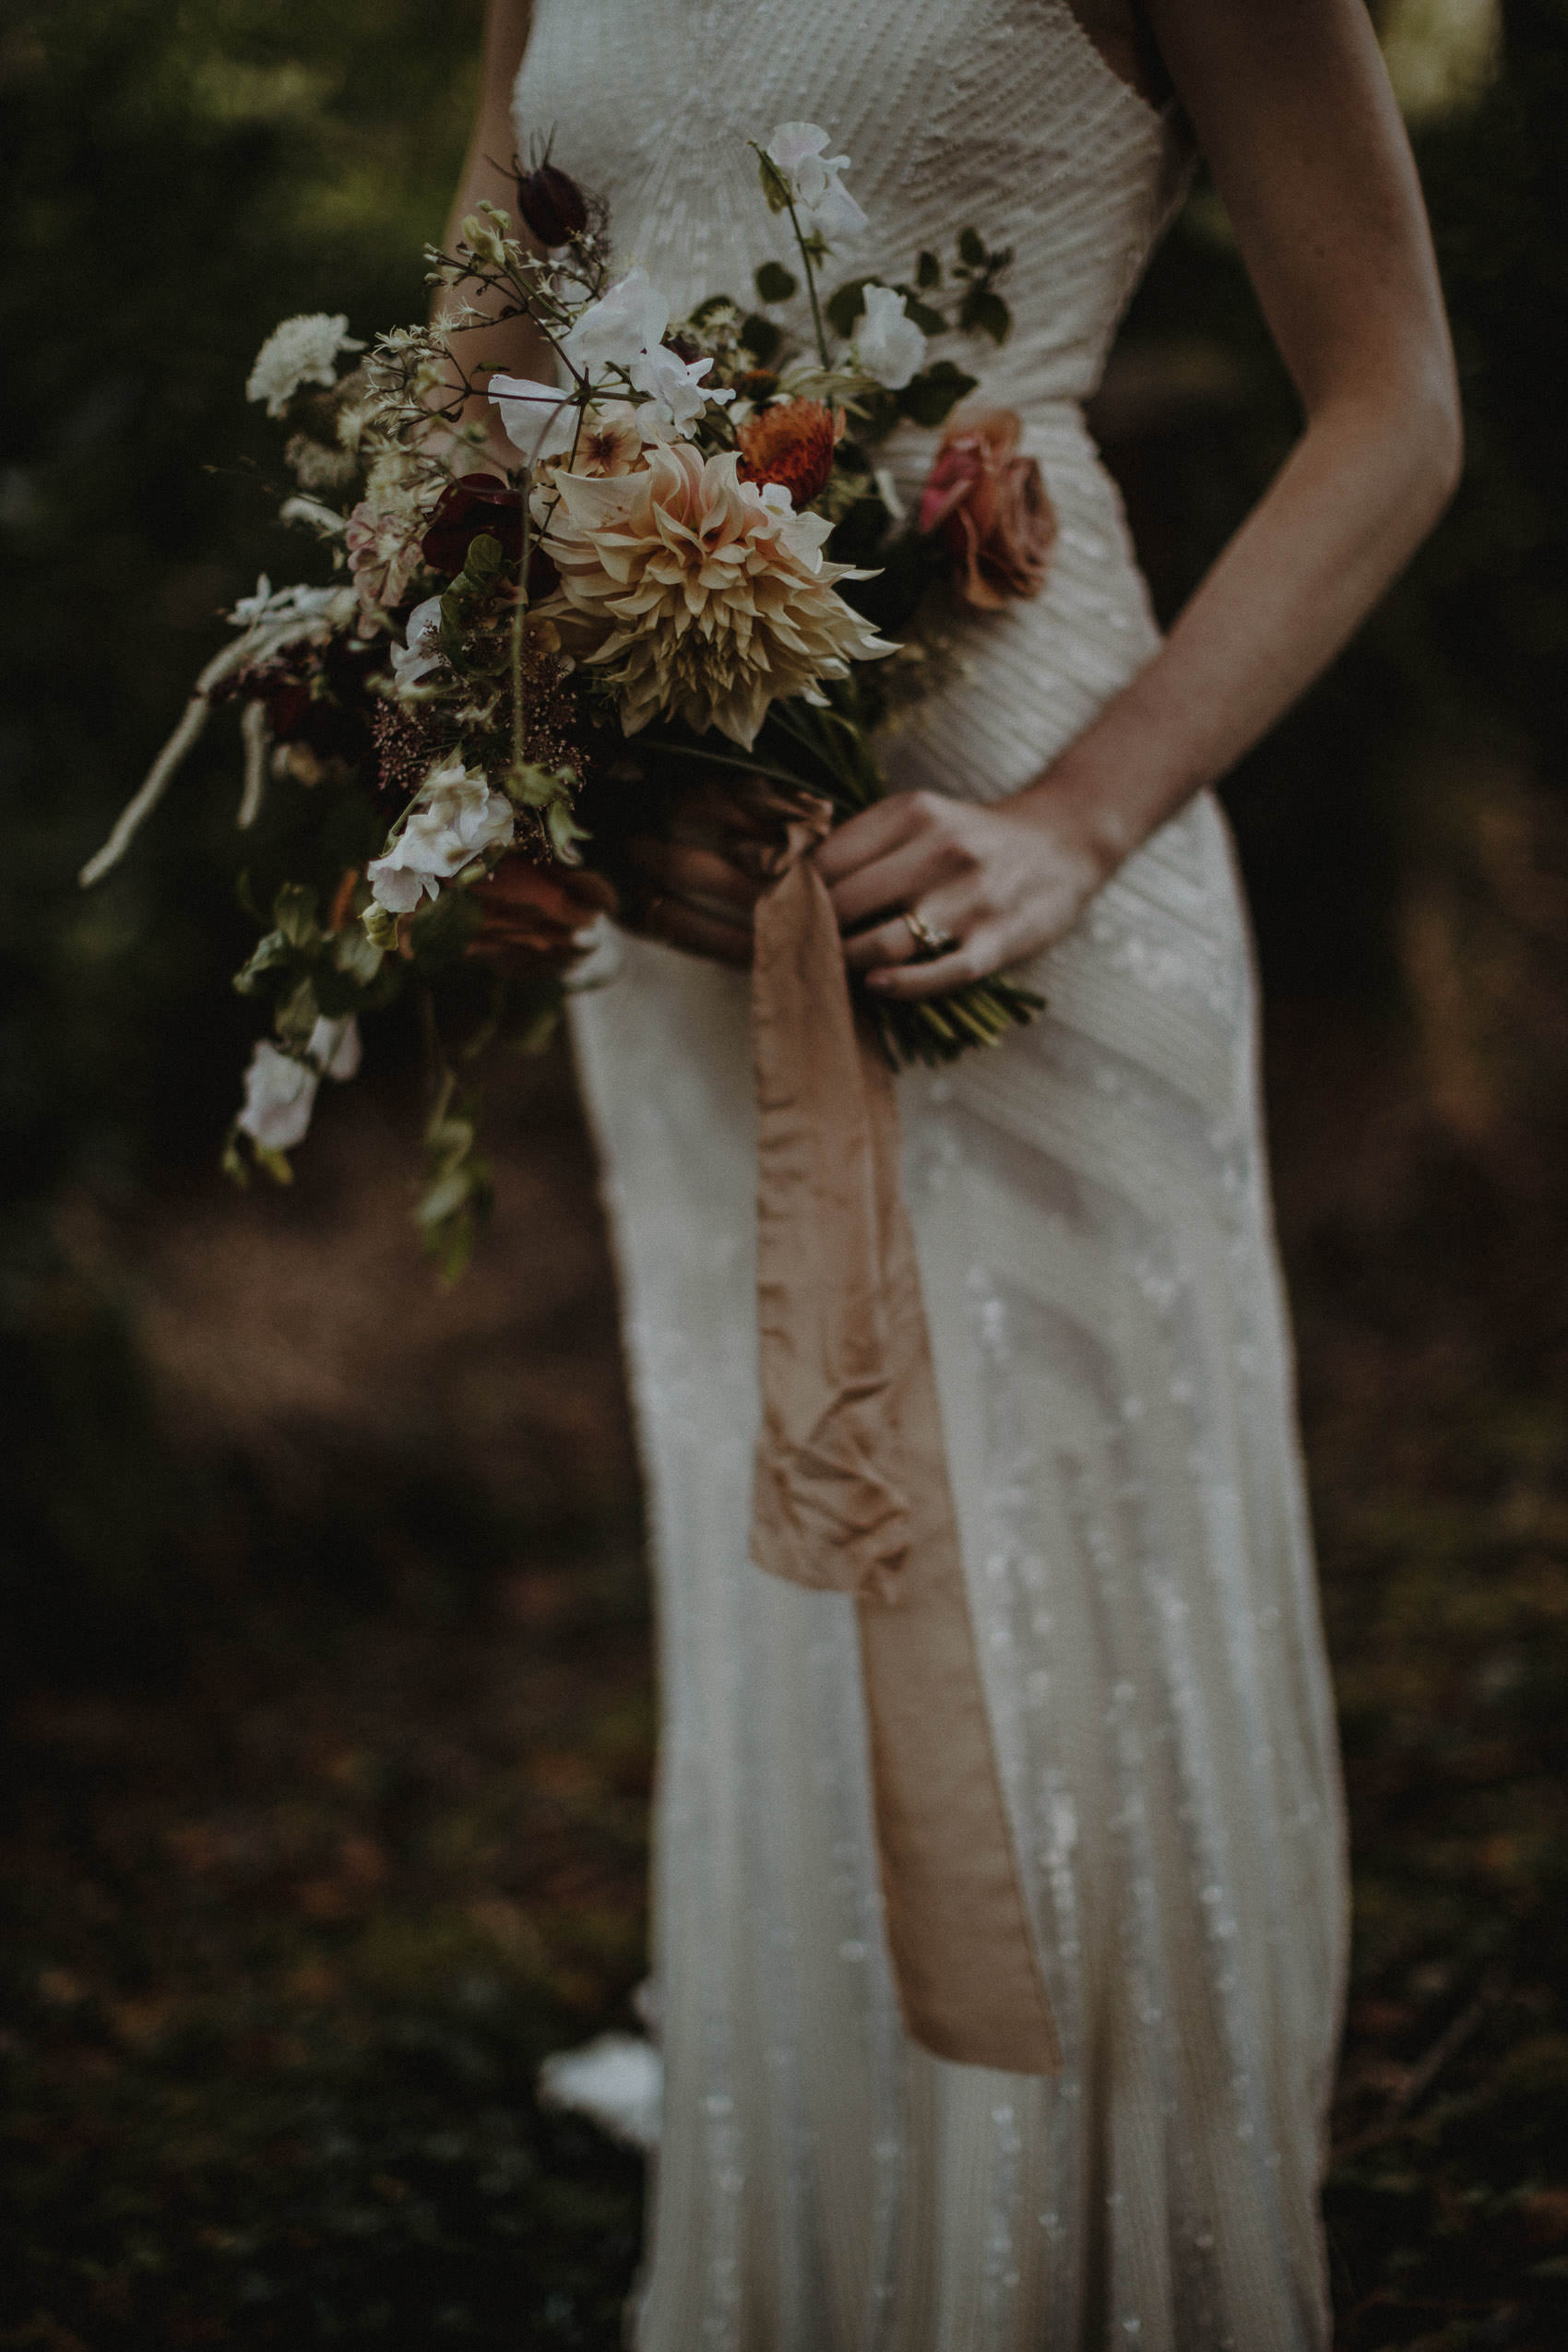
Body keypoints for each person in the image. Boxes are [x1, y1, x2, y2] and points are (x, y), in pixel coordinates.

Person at [449, 2, 1460, 2343]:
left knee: (1058, 1570)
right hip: (690, 880)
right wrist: (580, 755)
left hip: (1019, 824)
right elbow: (481, 355)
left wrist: (1079, 822)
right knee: (782, 1550)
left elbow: (1394, 406)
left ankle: (1094, 2276)